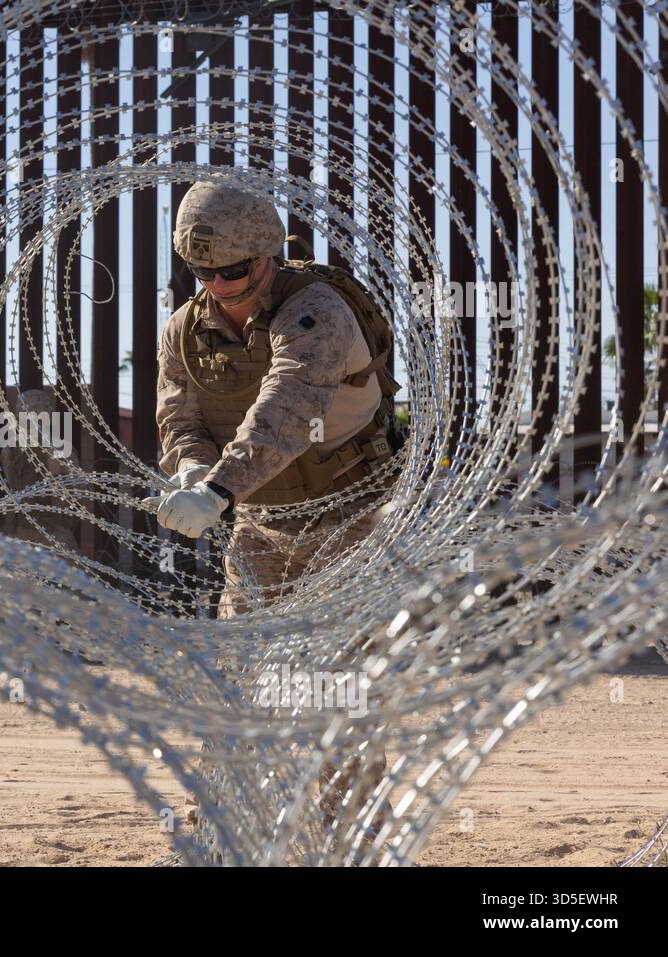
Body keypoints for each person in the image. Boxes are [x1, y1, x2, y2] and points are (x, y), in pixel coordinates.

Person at [148, 181, 398, 844]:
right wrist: (193, 469)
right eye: (203, 272)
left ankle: (353, 841)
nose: (220, 285)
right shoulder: (184, 331)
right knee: (236, 679)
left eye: (234, 271)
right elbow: (180, 413)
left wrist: (218, 489)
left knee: (338, 686)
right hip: (261, 522)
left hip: (348, 516)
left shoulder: (317, 312)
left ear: (268, 256)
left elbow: (289, 409)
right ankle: (224, 834)